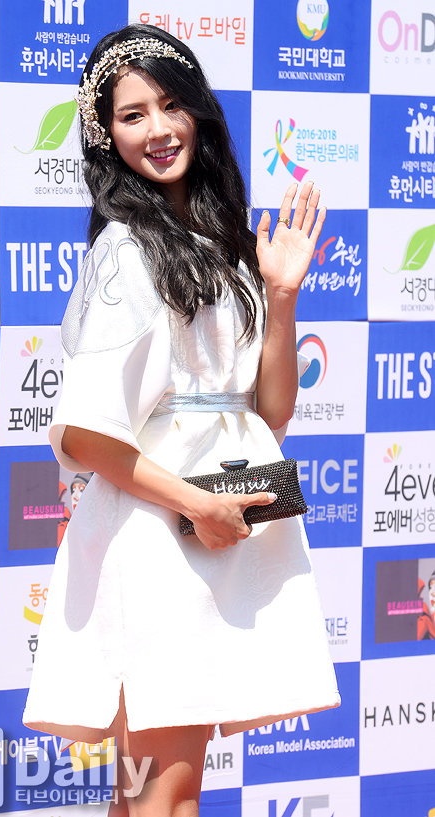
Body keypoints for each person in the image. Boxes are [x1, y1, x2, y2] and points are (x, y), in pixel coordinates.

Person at [23, 23, 340, 816]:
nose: (159, 129)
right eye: (132, 115)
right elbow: (87, 433)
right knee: (168, 794)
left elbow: (270, 412)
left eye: (171, 105)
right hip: (157, 535)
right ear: (106, 135)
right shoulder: (125, 252)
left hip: (211, 525)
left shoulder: (224, 242)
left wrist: (281, 297)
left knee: (147, 794)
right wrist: (197, 505)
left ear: (198, 109)